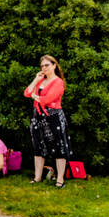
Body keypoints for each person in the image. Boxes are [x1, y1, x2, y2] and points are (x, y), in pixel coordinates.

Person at [25, 54, 70, 188]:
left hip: (54, 117)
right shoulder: (40, 80)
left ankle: (60, 179)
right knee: (38, 146)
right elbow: (27, 93)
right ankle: (37, 177)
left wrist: (35, 96)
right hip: (38, 116)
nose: (44, 68)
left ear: (54, 66)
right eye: (42, 66)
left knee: (59, 146)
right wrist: (35, 79)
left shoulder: (58, 82)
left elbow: (48, 100)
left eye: (47, 65)